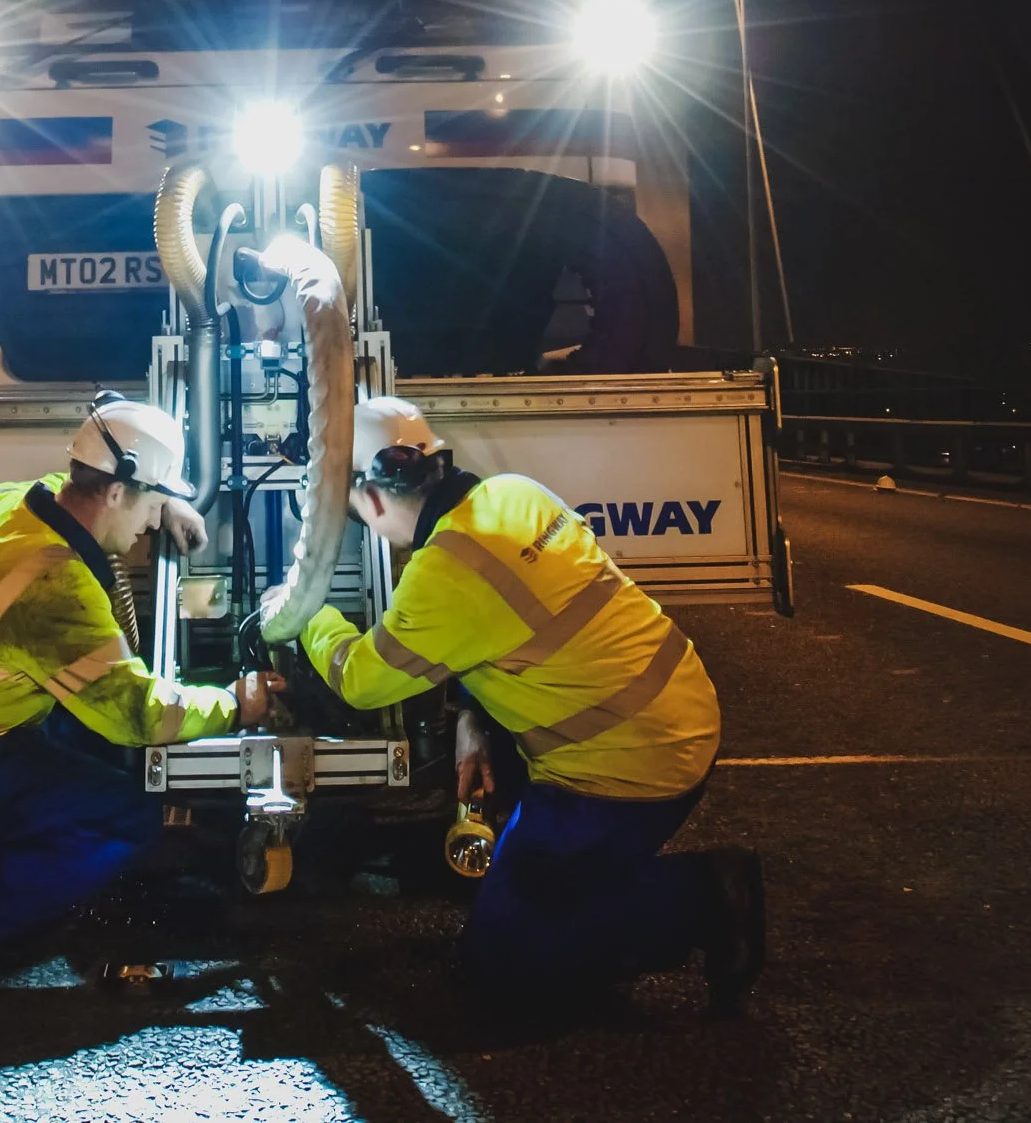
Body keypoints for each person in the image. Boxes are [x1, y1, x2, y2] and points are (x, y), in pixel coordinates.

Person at [293, 395, 765, 1017]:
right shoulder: (513, 494)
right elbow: (517, 622)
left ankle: (702, 897)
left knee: (506, 959)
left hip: (624, 769)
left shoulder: (446, 572)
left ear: (373, 499)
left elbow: (360, 680)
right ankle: (550, 877)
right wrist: (471, 720)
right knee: (523, 874)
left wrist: (305, 611)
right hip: (679, 709)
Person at [0, 392, 277, 1003]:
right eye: (152, 504)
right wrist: (238, 704)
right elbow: (139, 714)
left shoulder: (11, 504)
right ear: (114, 490)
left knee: (87, 752)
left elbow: (69, 484)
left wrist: (172, 502)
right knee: (124, 819)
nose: (151, 524)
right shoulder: (54, 582)